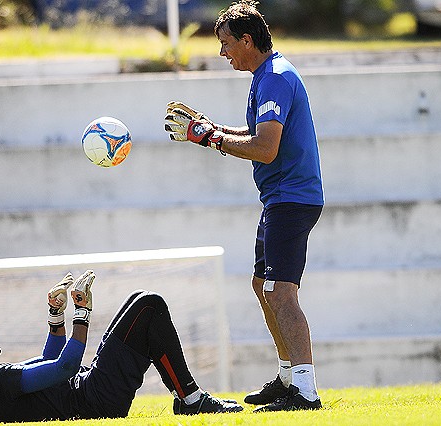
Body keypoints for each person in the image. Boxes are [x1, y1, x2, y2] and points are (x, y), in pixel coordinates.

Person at [164, 0, 324, 412]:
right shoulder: (266, 73)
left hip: (292, 197)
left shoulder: (273, 78)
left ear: (247, 40)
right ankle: (288, 377)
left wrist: (207, 138)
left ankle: (305, 392)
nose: (222, 53)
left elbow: (265, 149)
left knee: (281, 293)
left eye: (225, 44)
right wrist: (210, 128)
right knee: (262, 286)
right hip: (279, 198)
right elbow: (255, 134)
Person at [0, 270, 243, 423]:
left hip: (91, 389)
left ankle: (186, 398)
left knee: (139, 300)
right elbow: (64, 367)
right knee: (149, 304)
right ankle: (190, 398)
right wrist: (82, 313)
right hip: (96, 399)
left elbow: (47, 360)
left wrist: (56, 313)